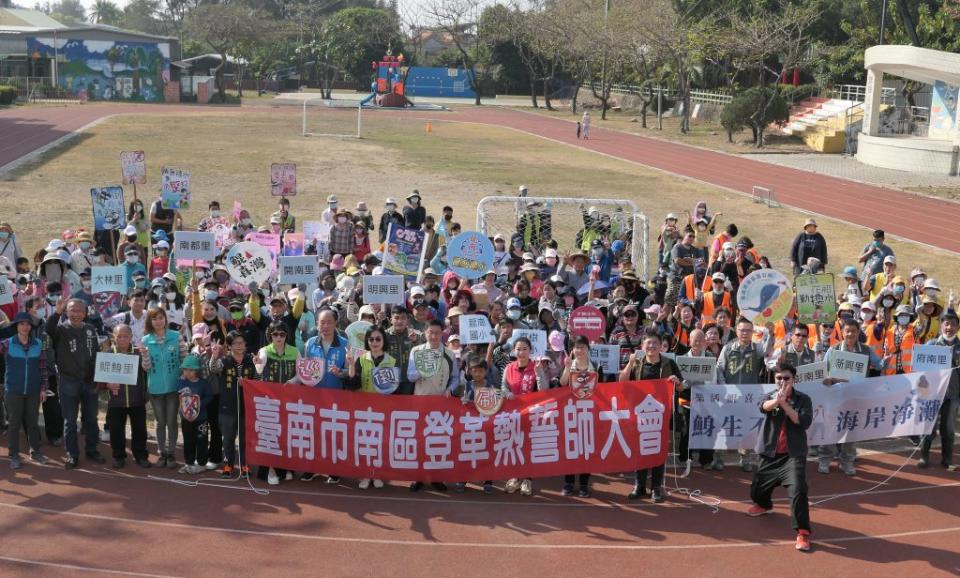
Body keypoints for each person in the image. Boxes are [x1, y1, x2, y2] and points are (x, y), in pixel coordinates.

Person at [746, 363, 813, 553]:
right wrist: (777, 401)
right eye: (778, 378)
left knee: (798, 490)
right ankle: (765, 505)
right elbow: (763, 407)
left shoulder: (803, 399)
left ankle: (802, 532)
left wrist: (785, 404)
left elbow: (803, 421)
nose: (782, 382)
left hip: (793, 455)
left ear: (793, 380)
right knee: (756, 492)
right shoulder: (770, 395)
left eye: (786, 378)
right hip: (769, 453)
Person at [620, 327, 683, 502]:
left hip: (661, 417)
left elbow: (681, 386)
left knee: (658, 451)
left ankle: (656, 487)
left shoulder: (669, 364)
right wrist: (630, 363)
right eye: (649, 343)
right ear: (643, 345)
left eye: (655, 343)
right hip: (640, 416)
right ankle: (639, 486)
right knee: (640, 451)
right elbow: (622, 382)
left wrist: (677, 382)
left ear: (661, 346)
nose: (652, 346)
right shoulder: (638, 363)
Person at [820, 319, 887, 475]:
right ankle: (825, 459)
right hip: (835, 396)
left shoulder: (866, 350)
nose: (850, 334)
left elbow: (878, 365)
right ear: (842, 332)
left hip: (856, 397)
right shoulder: (833, 349)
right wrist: (828, 380)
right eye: (847, 331)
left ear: (858, 333)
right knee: (831, 428)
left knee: (852, 429)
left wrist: (885, 361)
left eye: (853, 331)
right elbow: (823, 371)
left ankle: (847, 461)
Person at [47, 297, 104, 469]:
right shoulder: (60, 330)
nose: (76, 313)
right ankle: (72, 454)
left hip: (89, 382)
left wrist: (97, 378)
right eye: (72, 310)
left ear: (85, 313)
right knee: (70, 421)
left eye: (79, 310)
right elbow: (48, 329)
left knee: (91, 420)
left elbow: (96, 354)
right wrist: (56, 313)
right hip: (68, 382)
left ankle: (92, 450)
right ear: (66, 312)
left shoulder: (90, 329)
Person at [406, 320, 458, 492]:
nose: (434, 336)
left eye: (437, 333)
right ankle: (418, 477)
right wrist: (423, 370)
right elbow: (410, 375)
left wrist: (450, 389)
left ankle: (436, 477)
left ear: (442, 333)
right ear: (426, 333)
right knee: (420, 442)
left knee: (438, 442)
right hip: (420, 402)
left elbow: (456, 378)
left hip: (440, 405)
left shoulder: (450, 355)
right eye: (431, 332)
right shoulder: (416, 351)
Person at [716, 317, 771, 472]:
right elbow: (719, 368)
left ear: (752, 332)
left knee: (746, 427)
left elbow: (767, 350)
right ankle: (719, 457)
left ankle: (744, 458)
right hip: (730, 395)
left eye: (748, 330)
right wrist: (723, 386)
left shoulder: (756, 348)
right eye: (742, 330)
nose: (745, 333)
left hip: (748, 396)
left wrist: (767, 332)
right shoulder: (728, 348)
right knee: (725, 426)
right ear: (736, 330)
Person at [346, 326, 396, 489]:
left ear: (383, 341)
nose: (374, 342)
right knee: (365, 442)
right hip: (364, 408)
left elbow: (395, 387)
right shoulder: (361, 358)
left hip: (382, 409)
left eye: (378, 339)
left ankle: (378, 473)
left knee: (380, 443)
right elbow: (353, 384)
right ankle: (366, 475)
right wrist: (352, 365)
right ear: (367, 342)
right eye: (371, 339)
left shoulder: (391, 361)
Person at [500, 336, 548, 496]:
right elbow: (503, 387)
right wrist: (507, 393)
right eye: (518, 349)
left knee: (527, 446)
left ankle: (527, 479)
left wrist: (539, 372)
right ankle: (514, 476)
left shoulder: (536, 367)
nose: (521, 352)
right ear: (514, 351)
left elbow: (543, 390)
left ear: (530, 351)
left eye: (524, 349)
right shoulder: (509, 368)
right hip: (512, 414)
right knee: (514, 444)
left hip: (531, 414)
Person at [3, 311, 50, 470]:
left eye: (28, 324)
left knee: (32, 422)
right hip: (13, 390)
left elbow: (43, 369)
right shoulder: (7, 343)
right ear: (16, 326)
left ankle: (35, 451)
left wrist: (43, 388)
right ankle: (14, 455)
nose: (25, 326)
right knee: (14, 423)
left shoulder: (38, 344)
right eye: (22, 323)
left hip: (33, 391)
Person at [100, 324, 151, 469]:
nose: (122, 339)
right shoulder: (108, 354)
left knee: (140, 430)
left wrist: (145, 394)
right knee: (116, 431)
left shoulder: (138, 353)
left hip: (137, 401)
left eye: (125, 336)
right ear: (114, 338)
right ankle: (118, 456)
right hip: (116, 402)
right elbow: (100, 380)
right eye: (119, 336)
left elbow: (147, 374)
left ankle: (141, 455)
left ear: (131, 337)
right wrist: (107, 385)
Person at [141, 307, 186, 469]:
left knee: (172, 420)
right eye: (154, 319)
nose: (158, 321)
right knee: (160, 422)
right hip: (155, 388)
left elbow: (184, 360)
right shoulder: (146, 340)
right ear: (150, 322)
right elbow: (146, 368)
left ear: (165, 320)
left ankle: (171, 452)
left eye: (161, 318)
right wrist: (145, 355)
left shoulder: (176, 336)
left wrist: (182, 380)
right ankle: (162, 453)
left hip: (174, 387)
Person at [209, 330, 257, 478]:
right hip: (227, 406)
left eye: (242, 342)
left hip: (246, 406)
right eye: (235, 343)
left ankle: (244, 465)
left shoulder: (251, 360)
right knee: (228, 438)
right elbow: (213, 368)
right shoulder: (224, 361)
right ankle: (229, 464)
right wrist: (214, 355)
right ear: (229, 346)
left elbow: (258, 379)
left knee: (245, 438)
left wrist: (249, 381)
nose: (239, 345)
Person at [919, 308, 959, 470]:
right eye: (946, 324)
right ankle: (924, 457)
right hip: (932, 396)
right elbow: (922, 372)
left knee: (948, 430)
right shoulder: (932, 345)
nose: (949, 327)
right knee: (928, 428)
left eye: (953, 324)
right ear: (941, 325)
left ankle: (947, 460)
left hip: (953, 395)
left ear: (958, 327)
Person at [558, 335, 595, 496]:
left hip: (589, 413)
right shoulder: (569, 365)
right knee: (571, 448)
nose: (579, 350)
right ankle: (569, 482)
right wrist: (567, 367)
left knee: (587, 449)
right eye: (576, 347)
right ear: (572, 350)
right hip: (571, 413)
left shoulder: (596, 366)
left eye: (583, 347)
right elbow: (562, 383)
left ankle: (584, 484)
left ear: (588, 349)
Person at [176, 354, 213, 475]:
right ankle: (189, 463)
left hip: (201, 418)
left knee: (201, 440)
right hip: (186, 418)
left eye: (191, 369)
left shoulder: (203, 383)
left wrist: (200, 404)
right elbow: (180, 396)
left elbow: (209, 396)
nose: (188, 372)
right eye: (186, 369)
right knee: (188, 440)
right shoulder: (180, 382)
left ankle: (201, 463)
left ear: (197, 370)